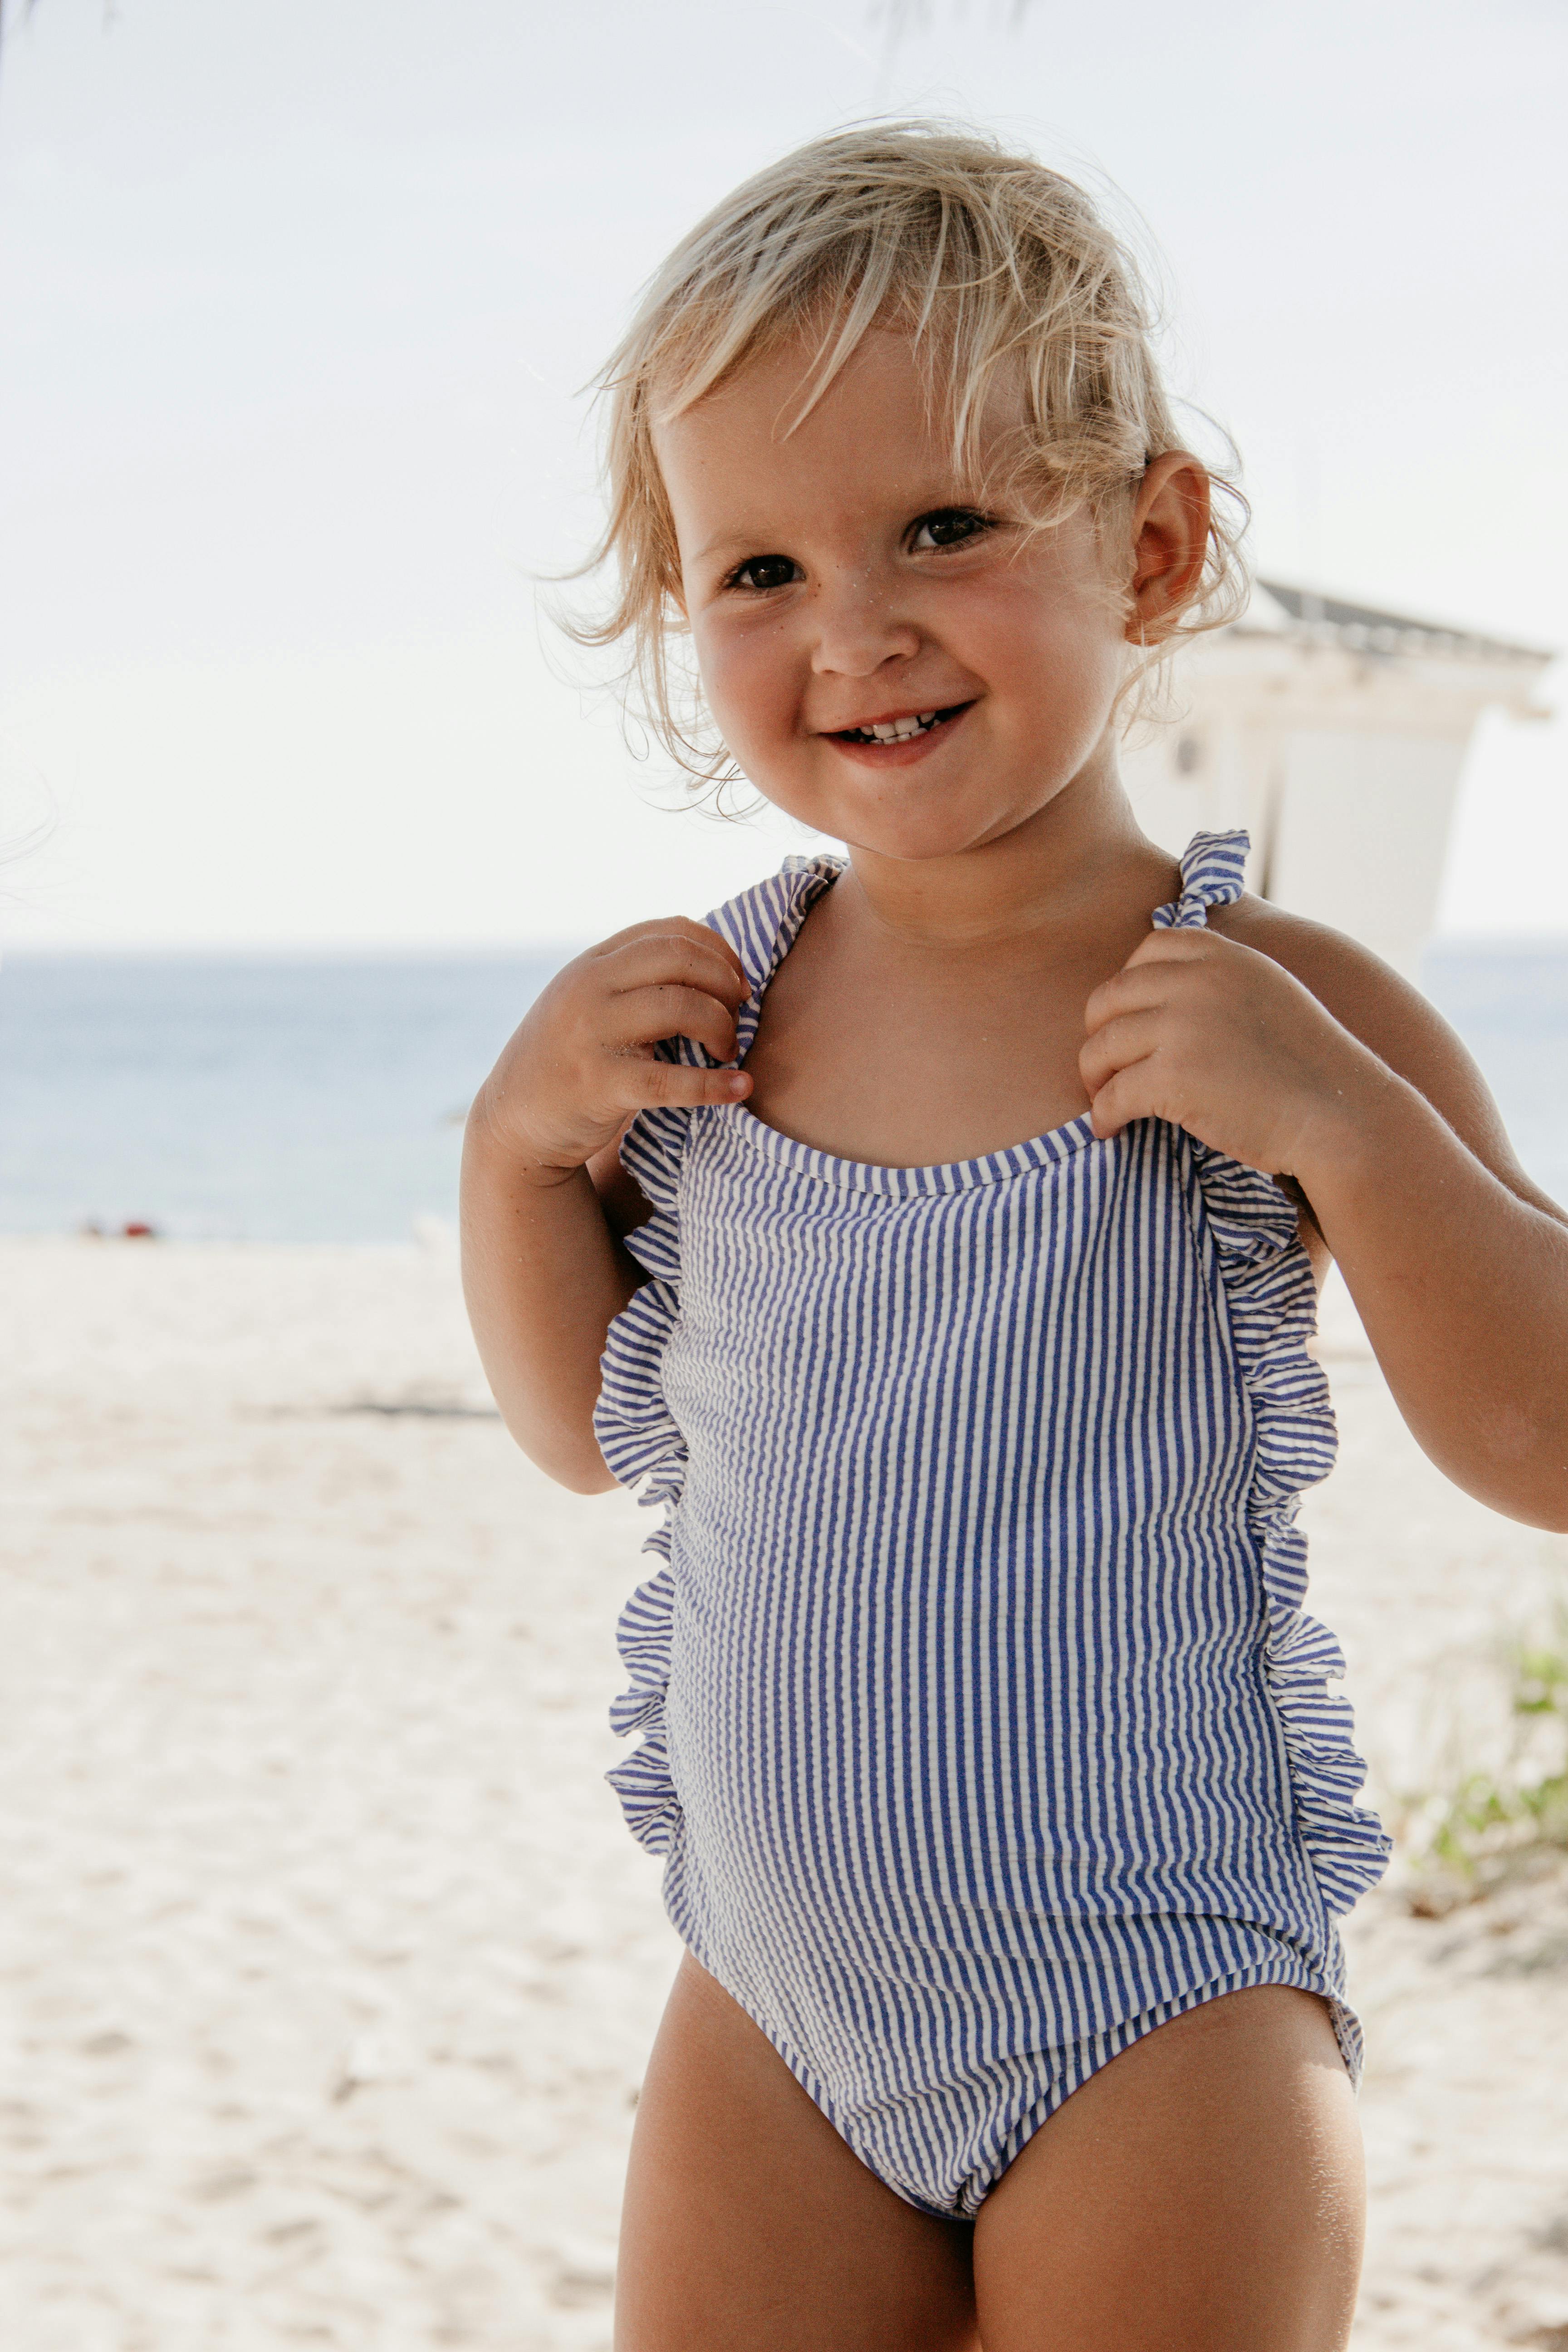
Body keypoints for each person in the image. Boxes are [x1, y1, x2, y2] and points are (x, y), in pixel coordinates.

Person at [460, 123, 1568, 2351]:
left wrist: (1352, 1133)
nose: (850, 625)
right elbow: (588, 1428)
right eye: (753, 568)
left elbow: (1547, 1438)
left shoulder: (1284, 1003)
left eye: (943, 528)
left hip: (1153, 2002)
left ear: (1150, 546)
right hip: (772, 2001)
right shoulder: (716, 1015)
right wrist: (513, 1156)